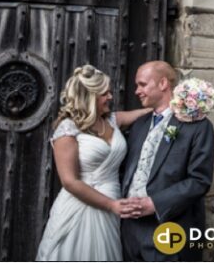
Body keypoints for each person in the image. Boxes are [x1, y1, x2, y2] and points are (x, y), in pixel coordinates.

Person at [36, 65, 151, 261]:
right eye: (104, 93)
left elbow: (148, 112)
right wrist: (111, 205)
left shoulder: (113, 120)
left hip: (113, 205)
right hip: (80, 206)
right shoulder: (67, 129)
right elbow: (69, 181)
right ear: (89, 97)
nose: (110, 97)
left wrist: (175, 103)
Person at [120, 61, 214, 261]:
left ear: (163, 83)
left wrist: (154, 203)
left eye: (142, 84)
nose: (137, 91)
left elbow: (199, 180)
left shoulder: (198, 126)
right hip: (129, 230)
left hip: (169, 227)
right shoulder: (139, 124)